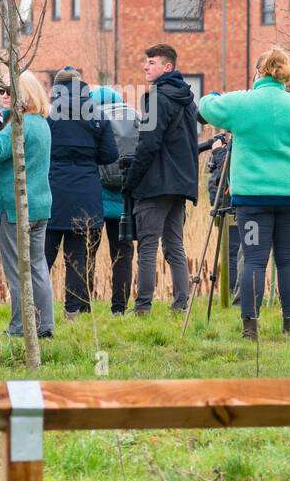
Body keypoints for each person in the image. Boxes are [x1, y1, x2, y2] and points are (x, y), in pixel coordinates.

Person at [197, 47, 290, 337]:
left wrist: (214, 95)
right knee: (288, 260)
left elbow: (206, 106)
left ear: (257, 72)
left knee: (254, 260)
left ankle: (250, 325)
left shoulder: (242, 103)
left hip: (253, 198)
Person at [0, 71, 55, 339]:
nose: (4, 95)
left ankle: (20, 327)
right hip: (38, 205)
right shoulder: (39, 122)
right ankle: (44, 326)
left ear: (24, 94)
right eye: (2, 91)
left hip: (14, 209)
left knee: (18, 270)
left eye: (9, 91)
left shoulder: (20, 125)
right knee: (37, 267)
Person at [124, 43, 200, 315]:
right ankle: (181, 304)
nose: (146, 66)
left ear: (167, 67)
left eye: (152, 62)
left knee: (147, 246)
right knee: (174, 246)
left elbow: (148, 144)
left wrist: (132, 180)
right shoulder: (188, 99)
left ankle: (142, 307)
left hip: (155, 183)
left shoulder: (156, 97)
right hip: (180, 184)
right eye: (146, 61)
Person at [45, 68, 118, 319]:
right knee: (77, 258)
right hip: (85, 193)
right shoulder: (97, 115)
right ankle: (73, 312)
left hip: (52, 194)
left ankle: (35, 310)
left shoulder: (48, 115)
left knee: (42, 256)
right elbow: (110, 155)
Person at [89, 83, 137, 314]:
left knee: (86, 251)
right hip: (124, 202)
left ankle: (83, 305)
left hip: (95, 198)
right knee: (123, 254)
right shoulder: (135, 116)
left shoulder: (91, 119)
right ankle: (119, 307)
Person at [198, 131, 240, 304]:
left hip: (231, 204)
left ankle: (231, 293)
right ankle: (231, 293)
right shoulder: (230, 142)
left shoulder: (240, 142)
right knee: (230, 251)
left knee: (232, 252)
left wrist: (218, 152)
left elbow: (230, 170)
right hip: (223, 204)